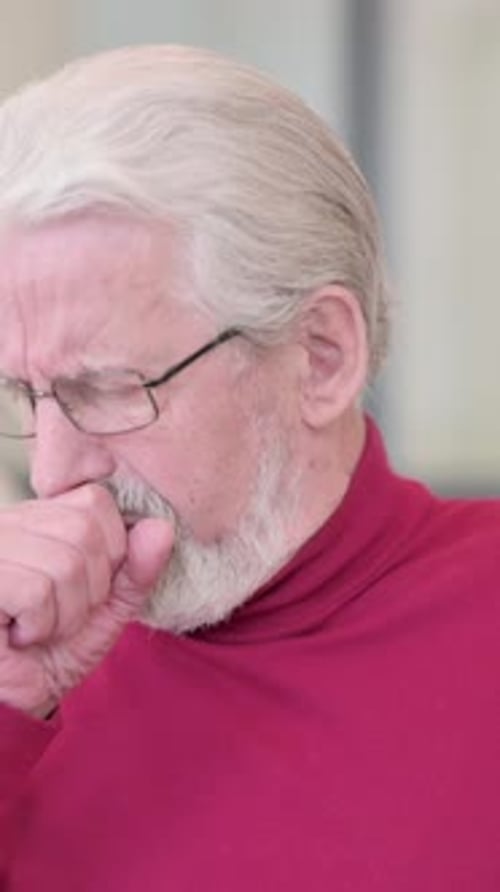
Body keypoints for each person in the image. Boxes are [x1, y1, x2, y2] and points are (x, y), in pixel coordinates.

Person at [0, 44, 498, 892]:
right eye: (24, 391)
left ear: (322, 355)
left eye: (110, 388)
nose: (53, 474)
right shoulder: (22, 647)